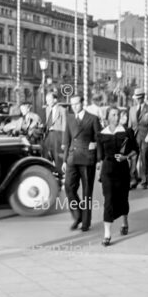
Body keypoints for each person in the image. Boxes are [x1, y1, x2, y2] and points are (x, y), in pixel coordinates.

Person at [97, 106, 138, 246]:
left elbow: (135, 151)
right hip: (107, 171)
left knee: (123, 198)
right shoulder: (101, 134)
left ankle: (125, 221)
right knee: (108, 200)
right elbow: (100, 157)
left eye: (117, 115)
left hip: (122, 170)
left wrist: (125, 156)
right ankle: (107, 234)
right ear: (107, 117)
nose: (116, 117)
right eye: (113, 115)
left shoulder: (127, 132)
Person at [62, 95, 101, 231]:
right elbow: (66, 140)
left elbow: (99, 139)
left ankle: (86, 222)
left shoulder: (93, 118)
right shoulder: (70, 118)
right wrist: (64, 160)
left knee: (86, 192)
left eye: (76, 104)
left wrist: (99, 159)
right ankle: (78, 215)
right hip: (72, 158)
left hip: (87, 158)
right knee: (68, 187)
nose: (74, 107)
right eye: (72, 104)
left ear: (82, 103)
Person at [128, 88, 148, 188]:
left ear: (143, 97)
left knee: (144, 158)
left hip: (145, 137)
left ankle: (144, 180)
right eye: (137, 98)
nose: (138, 100)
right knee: (132, 158)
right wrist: (128, 137)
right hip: (134, 137)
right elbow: (129, 125)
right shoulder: (131, 109)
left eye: (140, 98)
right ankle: (133, 179)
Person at [43, 91, 67, 179]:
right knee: (47, 154)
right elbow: (47, 122)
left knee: (58, 156)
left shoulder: (62, 110)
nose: (47, 102)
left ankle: (61, 175)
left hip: (58, 134)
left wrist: (64, 141)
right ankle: (49, 174)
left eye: (49, 100)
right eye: (46, 100)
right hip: (49, 134)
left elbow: (64, 126)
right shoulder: (47, 109)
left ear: (55, 100)